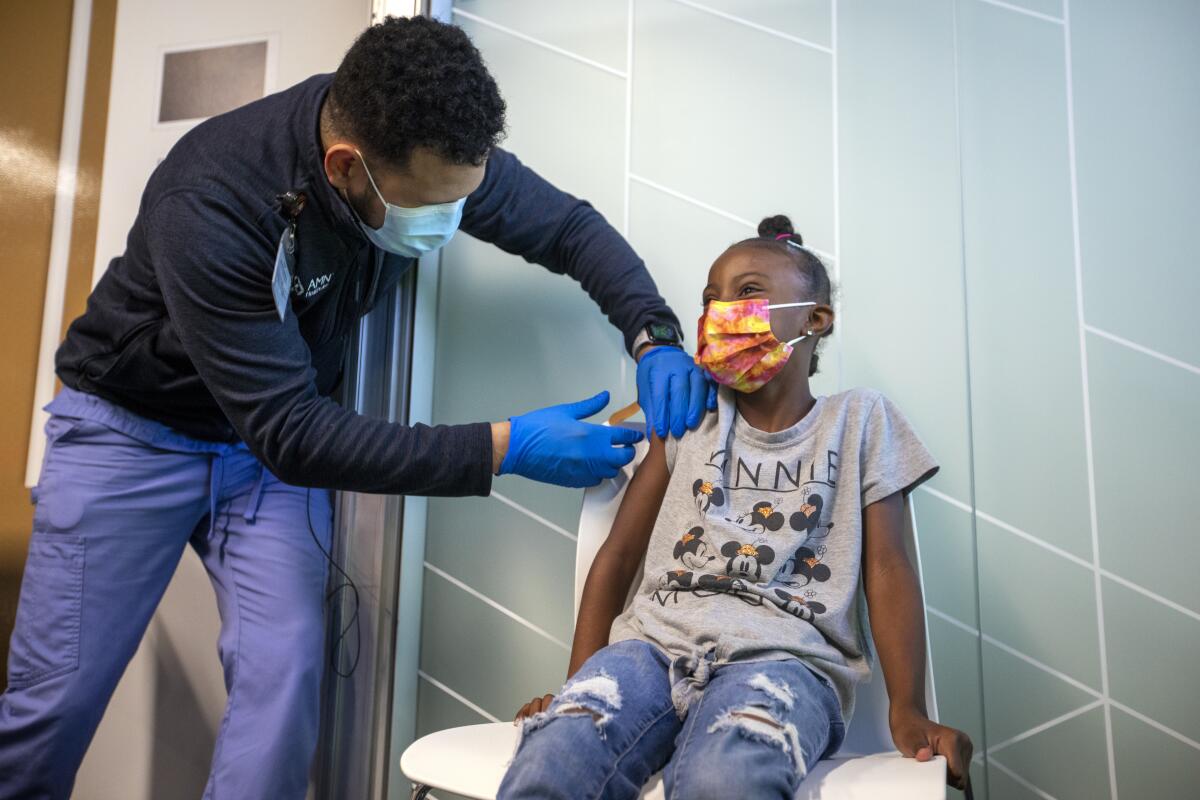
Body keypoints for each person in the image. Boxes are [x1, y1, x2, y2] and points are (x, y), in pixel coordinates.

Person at [0, 16, 711, 800]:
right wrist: (503, 446)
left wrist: (654, 334)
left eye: (462, 201)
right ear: (346, 168)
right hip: (131, 436)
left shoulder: (426, 147)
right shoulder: (208, 201)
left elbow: (569, 231)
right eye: (432, 208)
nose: (448, 224)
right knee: (55, 702)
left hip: (258, 460)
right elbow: (293, 434)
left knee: (286, 680)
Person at [500, 215, 975, 799]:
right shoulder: (689, 421)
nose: (723, 310)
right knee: (552, 760)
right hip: (647, 648)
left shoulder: (860, 421)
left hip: (783, 662)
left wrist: (907, 710)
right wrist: (579, 686)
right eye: (710, 299)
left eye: (749, 292)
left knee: (725, 778)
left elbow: (888, 569)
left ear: (815, 319)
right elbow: (619, 554)